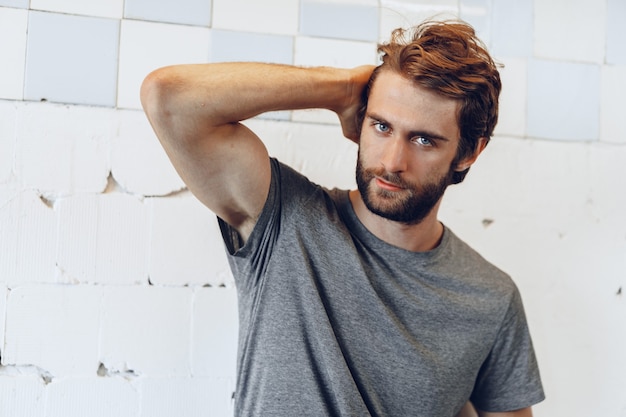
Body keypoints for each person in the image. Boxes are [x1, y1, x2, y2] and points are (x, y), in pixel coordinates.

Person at [141, 19, 544, 417]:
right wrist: (345, 88)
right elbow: (167, 98)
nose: (391, 162)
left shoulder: (490, 297)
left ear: (469, 152)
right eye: (381, 125)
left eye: (423, 140)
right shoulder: (283, 218)